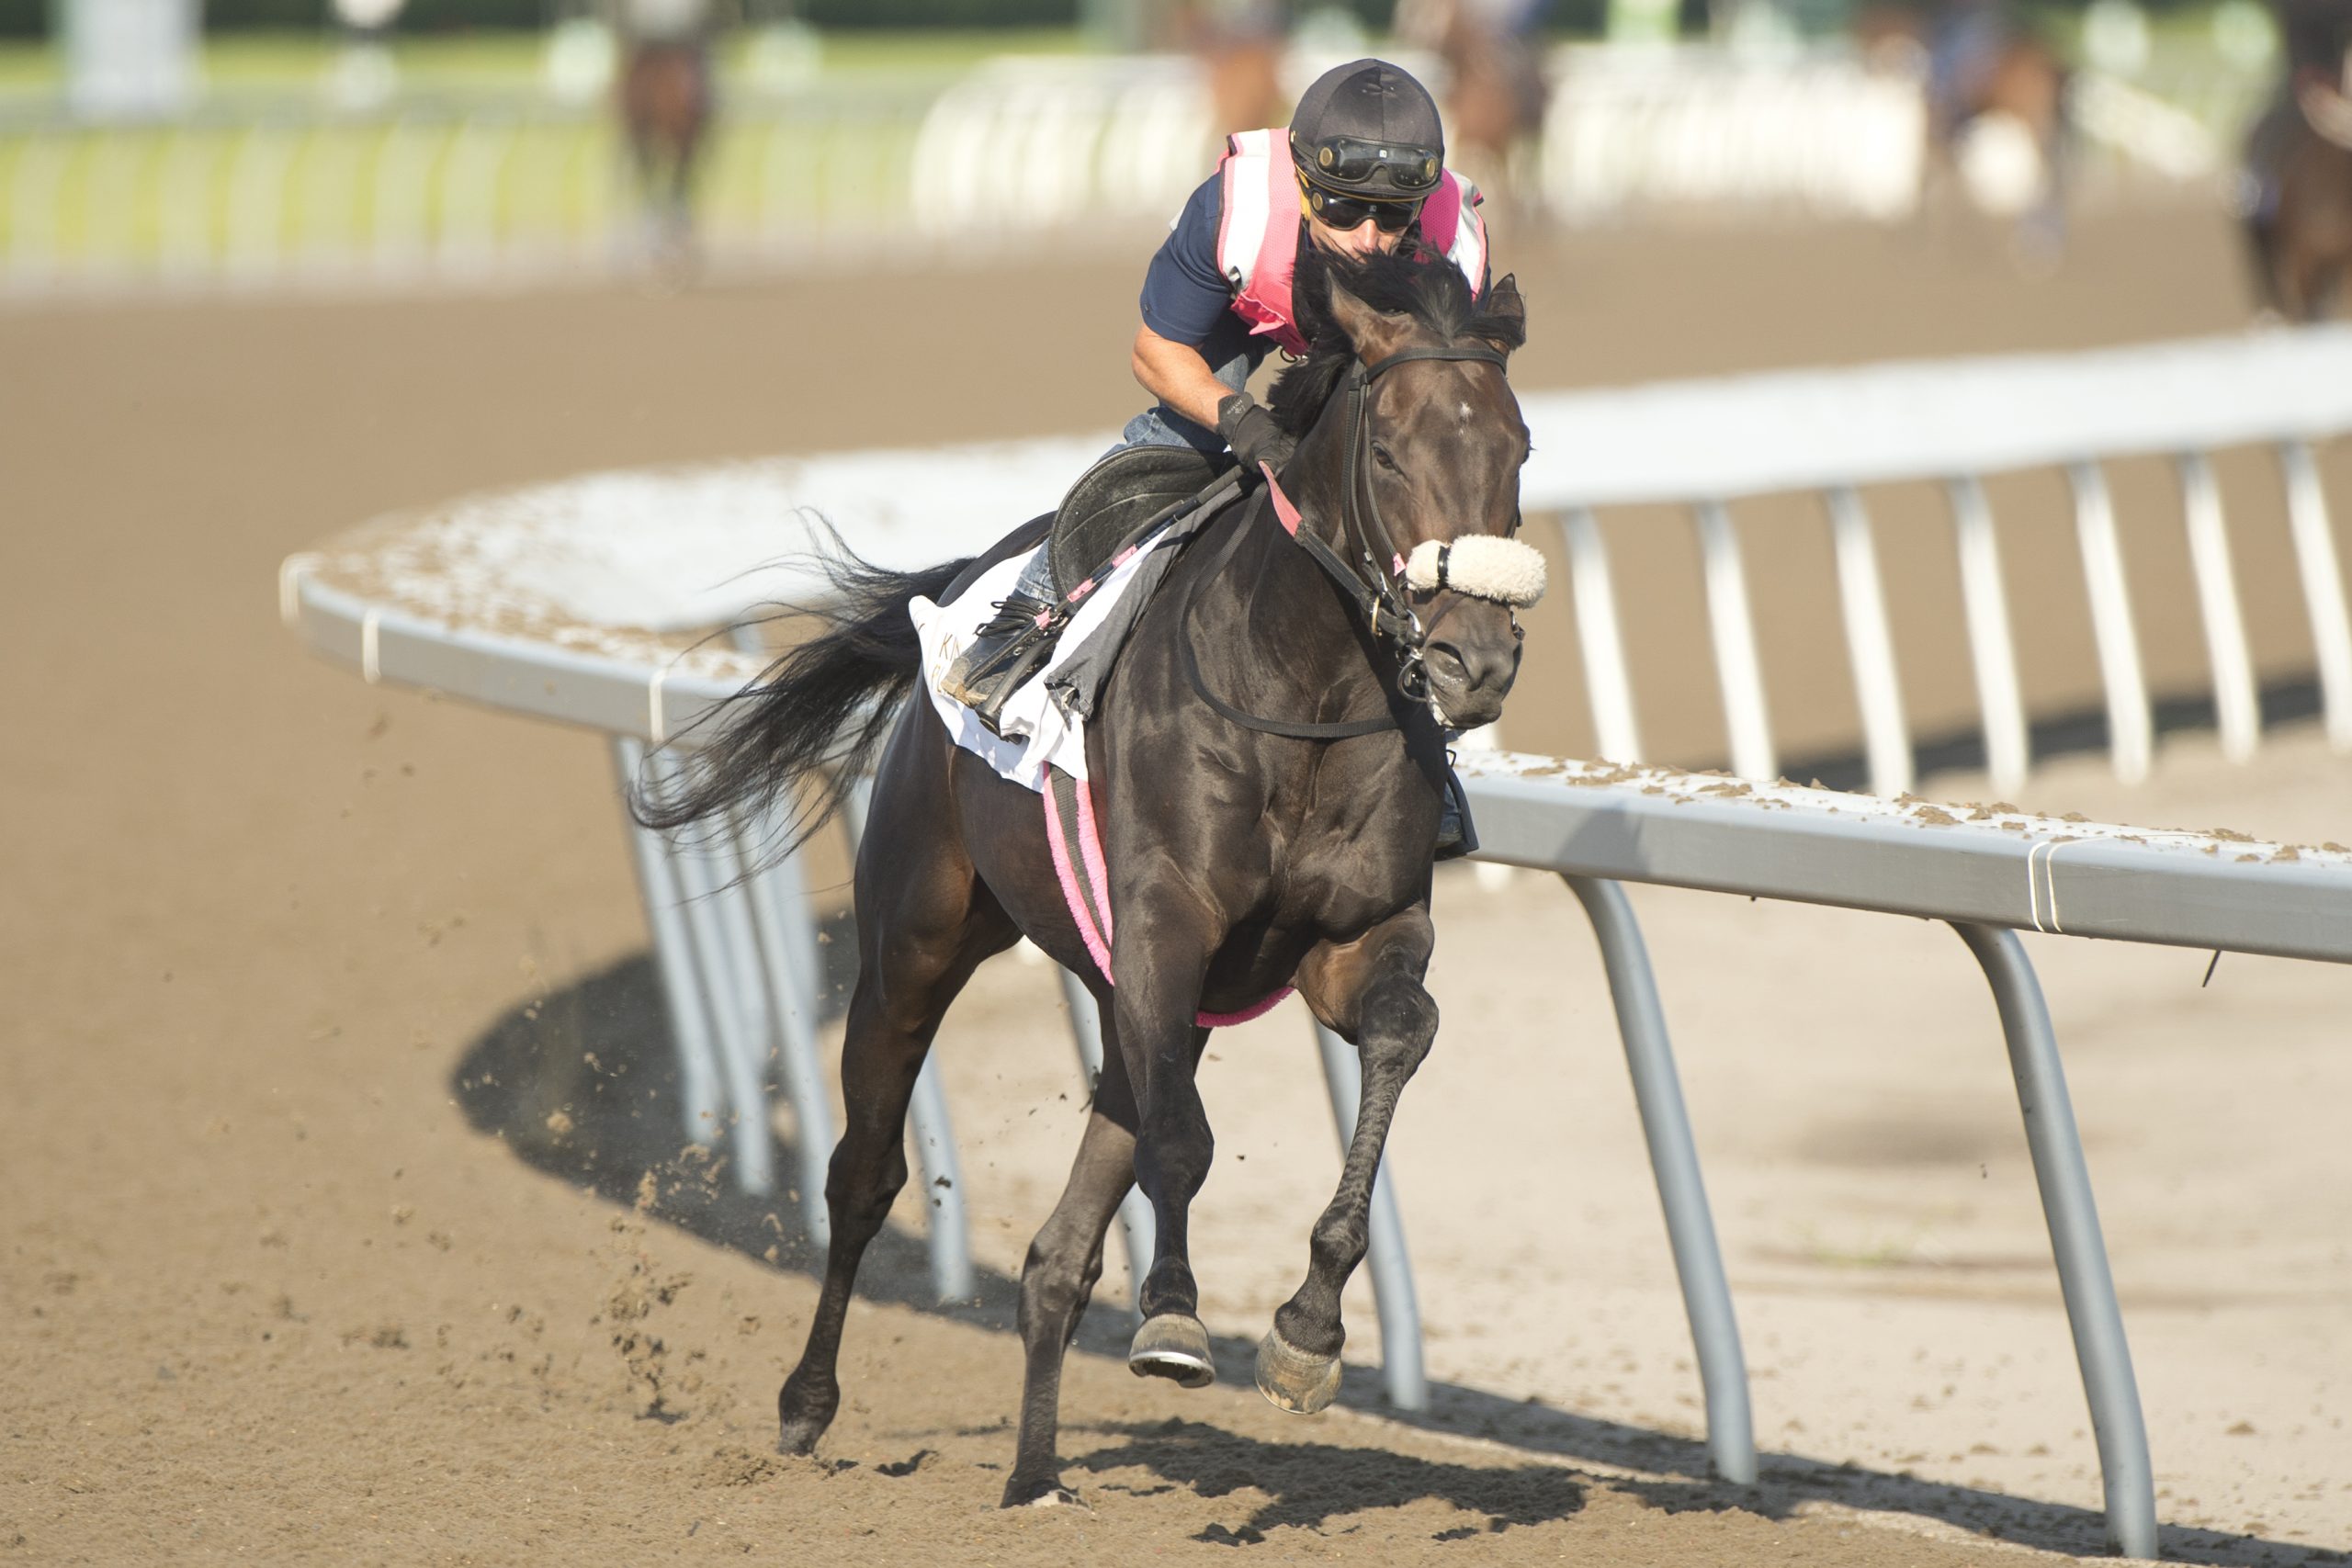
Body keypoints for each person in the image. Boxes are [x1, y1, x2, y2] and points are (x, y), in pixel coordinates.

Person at [940, 57, 1492, 718]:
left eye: (1393, 214)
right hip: (1255, 308)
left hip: (1388, 334)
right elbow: (1154, 352)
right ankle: (1026, 617)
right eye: (1343, 210)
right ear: (1305, 183)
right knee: (1176, 434)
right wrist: (1239, 420)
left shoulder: (1454, 245)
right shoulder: (1236, 211)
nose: (1368, 240)